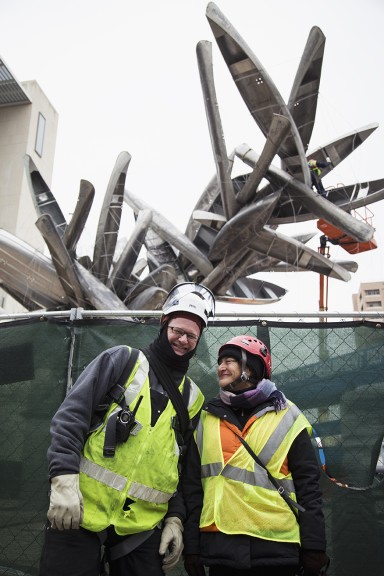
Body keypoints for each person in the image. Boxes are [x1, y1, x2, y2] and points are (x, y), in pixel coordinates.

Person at [39, 282, 215, 576]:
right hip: (79, 511)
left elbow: (184, 467)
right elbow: (71, 418)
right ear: (163, 325)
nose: (182, 340)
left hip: (142, 528)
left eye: (191, 336)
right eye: (177, 331)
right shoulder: (122, 361)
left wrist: (175, 519)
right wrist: (63, 481)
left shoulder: (193, 399)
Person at [182, 335, 329, 576]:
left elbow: (309, 486)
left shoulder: (288, 415)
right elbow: (192, 488)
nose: (221, 367)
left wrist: (314, 546)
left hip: (277, 549)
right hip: (221, 550)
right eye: (220, 361)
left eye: (230, 361)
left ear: (251, 368)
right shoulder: (206, 418)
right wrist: (192, 549)